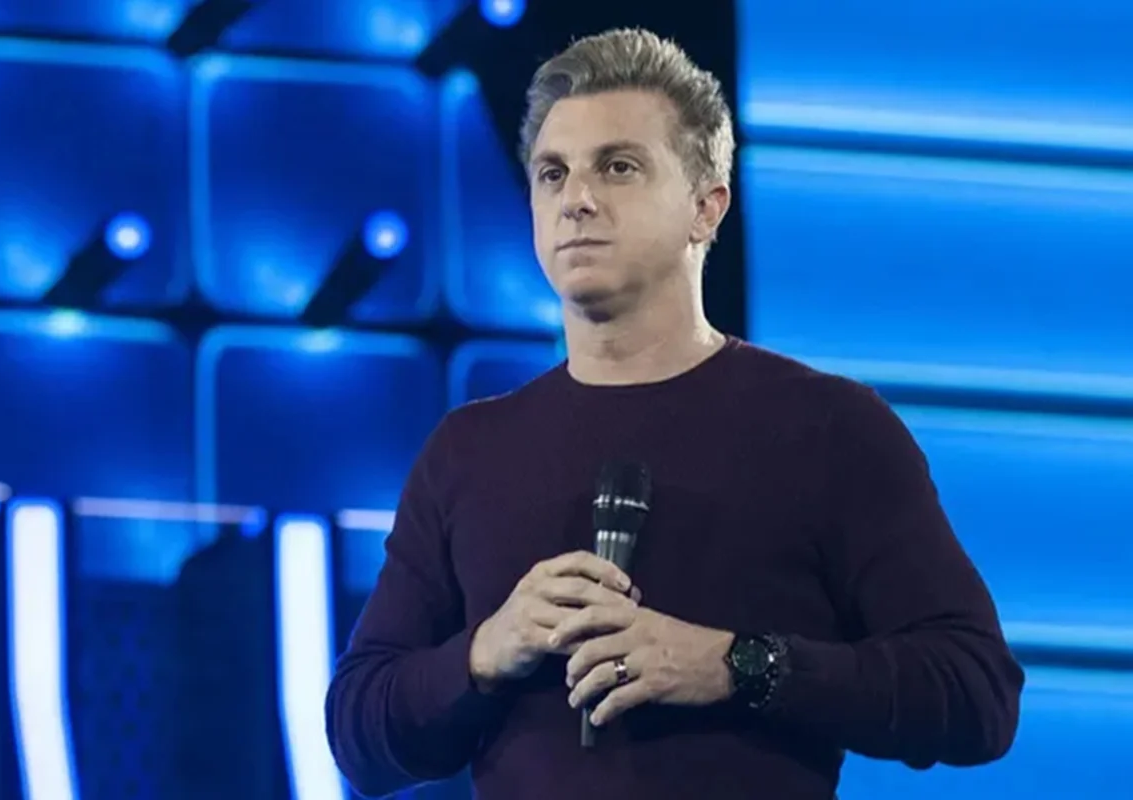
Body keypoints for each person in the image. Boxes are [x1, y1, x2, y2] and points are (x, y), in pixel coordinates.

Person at [325, 27, 1024, 799]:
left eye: (618, 167)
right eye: (553, 173)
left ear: (706, 207)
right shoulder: (470, 450)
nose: (577, 199)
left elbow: (975, 692)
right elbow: (359, 732)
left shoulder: (827, 427)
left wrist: (736, 665)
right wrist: (487, 650)